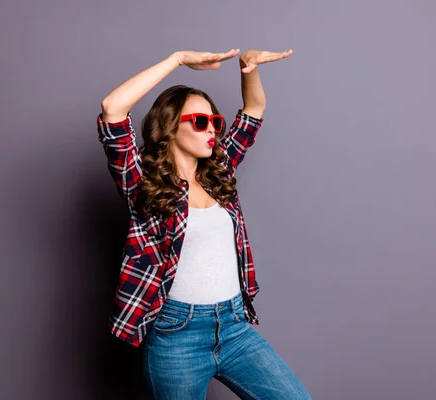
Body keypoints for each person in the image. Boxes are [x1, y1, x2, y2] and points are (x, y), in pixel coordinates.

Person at [96, 48, 311, 399]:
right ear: (169, 126)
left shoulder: (218, 174)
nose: (211, 129)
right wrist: (177, 59)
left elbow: (254, 109)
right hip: (176, 334)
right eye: (199, 122)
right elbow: (113, 108)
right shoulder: (143, 184)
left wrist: (248, 68)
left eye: (215, 122)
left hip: (233, 327)